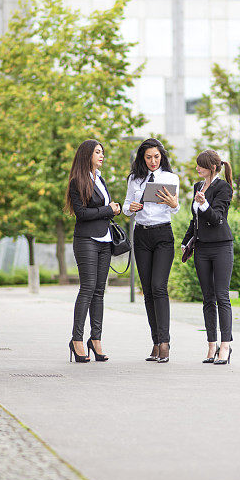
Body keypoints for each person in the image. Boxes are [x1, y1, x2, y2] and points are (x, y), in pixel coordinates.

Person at [122, 138, 180, 363]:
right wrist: (130, 208)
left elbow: (176, 208)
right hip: (142, 235)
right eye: (148, 157)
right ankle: (155, 342)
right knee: (147, 290)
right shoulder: (134, 179)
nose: (153, 161)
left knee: (159, 287)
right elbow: (127, 206)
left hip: (163, 235)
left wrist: (174, 204)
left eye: (156, 156)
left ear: (162, 156)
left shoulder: (171, 178)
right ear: (142, 158)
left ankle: (165, 342)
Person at [64, 139, 121, 363]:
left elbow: (99, 210)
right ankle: (77, 340)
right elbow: (82, 214)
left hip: (105, 240)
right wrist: (108, 209)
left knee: (99, 291)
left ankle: (95, 340)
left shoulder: (100, 179)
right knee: (87, 288)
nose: (102, 155)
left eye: (102, 152)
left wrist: (112, 209)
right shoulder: (77, 181)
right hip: (86, 239)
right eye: (98, 152)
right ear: (87, 154)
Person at [181, 150, 235, 365]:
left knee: (222, 297)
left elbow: (217, 219)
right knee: (207, 298)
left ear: (212, 167)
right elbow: (194, 221)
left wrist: (204, 204)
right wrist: (186, 241)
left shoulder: (224, 188)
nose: (197, 168)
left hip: (221, 247)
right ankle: (211, 345)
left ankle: (225, 346)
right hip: (201, 248)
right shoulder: (197, 187)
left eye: (201, 165)